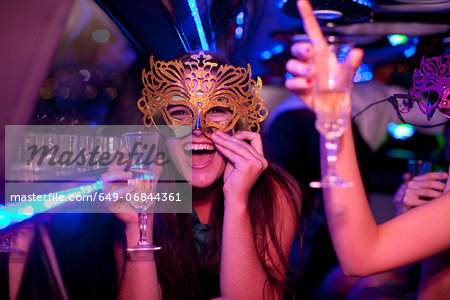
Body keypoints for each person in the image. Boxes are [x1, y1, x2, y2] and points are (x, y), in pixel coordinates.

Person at [102, 51, 302, 300]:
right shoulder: (136, 192)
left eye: (217, 109)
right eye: (179, 111)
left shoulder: (274, 192)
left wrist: (237, 198)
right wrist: (137, 224)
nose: (197, 128)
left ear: (239, 123)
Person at [286, 0, 450, 293]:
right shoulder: (393, 96)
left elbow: (363, 256)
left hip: (309, 125)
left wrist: (333, 115)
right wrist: (413, 217)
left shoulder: (395, 96)